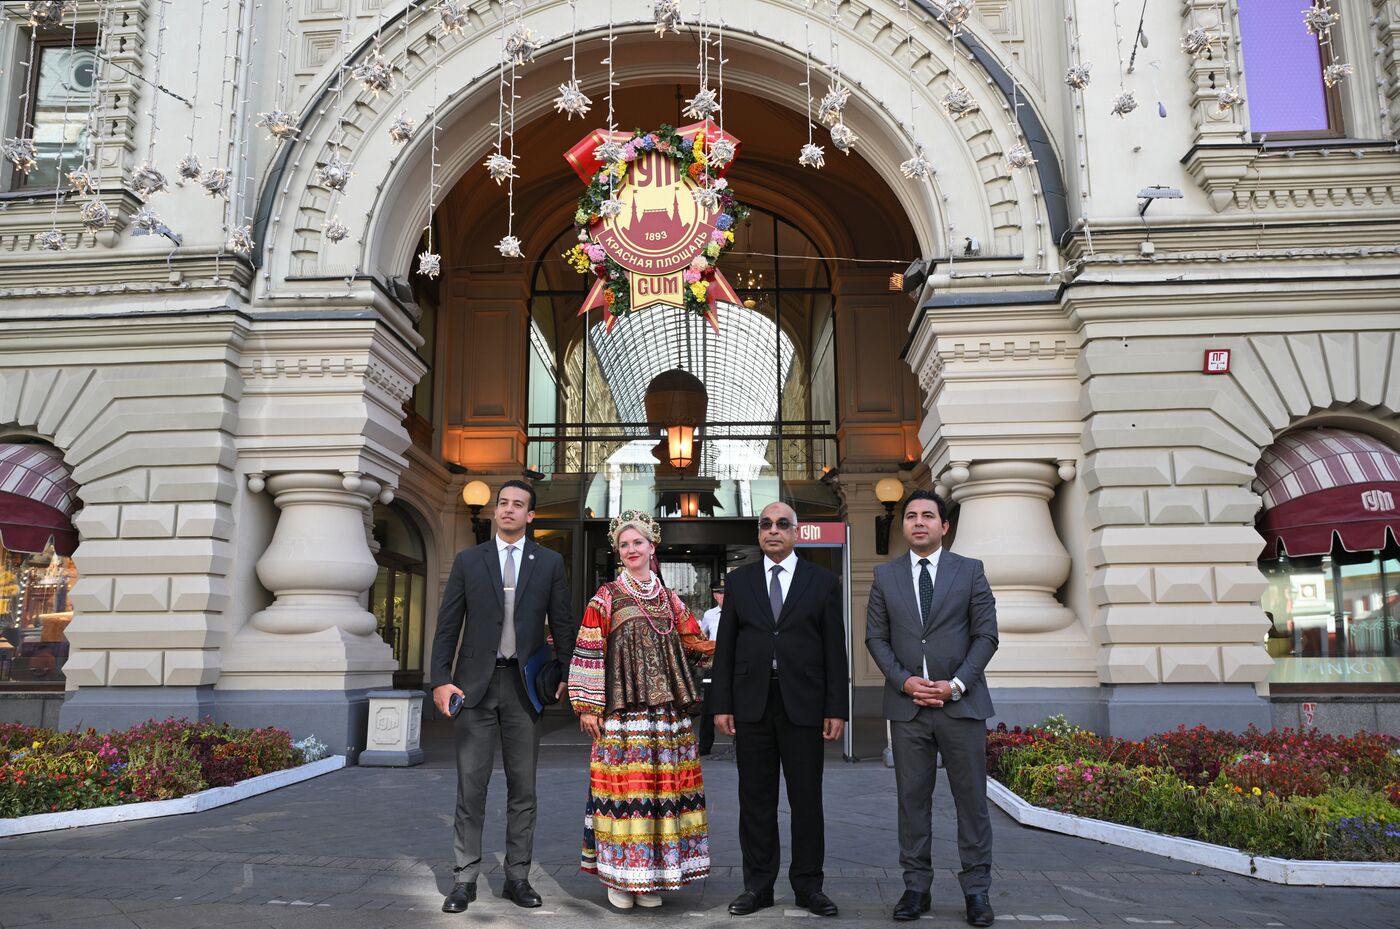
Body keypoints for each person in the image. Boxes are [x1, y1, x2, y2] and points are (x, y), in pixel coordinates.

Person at [429, 480, 577, 915]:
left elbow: (563, 623)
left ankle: (517, 878)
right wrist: (440, 678)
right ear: (496, 511)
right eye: (504, 503)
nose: (509, 510)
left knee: (523, 789)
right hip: (473, 687)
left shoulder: (549, 562)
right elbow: (447, 625)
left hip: (524, 687)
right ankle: (464, 880)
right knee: (470, 788)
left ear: (531, 516)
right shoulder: (468, 561)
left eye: (519, 505)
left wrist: (566, 673)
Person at [568, 510, 715, 910]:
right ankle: (619, 878)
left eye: (639, 542)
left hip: (667, 717)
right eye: (625, 544)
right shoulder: (606, 597)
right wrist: (587, 705)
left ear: (653, 546)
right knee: (624, 792)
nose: (632, 549)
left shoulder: (669, 599)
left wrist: (737, 634)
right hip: (622, 714)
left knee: (661, 793)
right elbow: (588, 650)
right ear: (619, 552)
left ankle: (650, 878)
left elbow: (695, 645)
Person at [864, 489, 999, 927]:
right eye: (911, 516)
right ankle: (915, 888)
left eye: (927, 516)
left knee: (971, 803)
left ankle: (976, 891)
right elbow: (876, 639)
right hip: (909, 709)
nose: (918, 522)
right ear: (903, 526)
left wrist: (955, 684)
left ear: (945, 526)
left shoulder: (971, 571)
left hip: (961, 706)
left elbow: (986, 636)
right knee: (912, 802)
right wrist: (904, 680)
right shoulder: (886, 576)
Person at [710, 501, 848, 918]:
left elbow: (834, 650)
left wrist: (837, 708)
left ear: (795, 531)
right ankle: (758, 886)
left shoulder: (821, 582)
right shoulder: (740, 582)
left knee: (807, 800)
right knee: (755, 801)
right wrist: (721, 703)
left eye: (782, 524)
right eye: (765, 524)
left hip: (804, 706)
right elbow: (727, 648)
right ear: (758, 533)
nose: (773, 530)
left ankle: (808, 886)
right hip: (752, 704)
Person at [697, 579, 725, 755]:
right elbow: (701, 636)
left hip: (736, 664)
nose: (723, 596)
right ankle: (705, 745)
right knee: (708, 705)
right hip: (714, 663)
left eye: (726, 593)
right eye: (720, 593)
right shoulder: (710, 615)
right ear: (715, 596)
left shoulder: (740, 611)